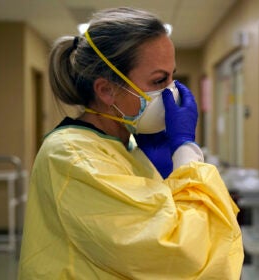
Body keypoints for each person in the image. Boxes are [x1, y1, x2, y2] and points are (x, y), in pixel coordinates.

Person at [18, 7, 243, 280]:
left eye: (173, 76)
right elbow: (183, 254)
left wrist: (167, 173)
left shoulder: (125, 146)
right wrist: (185, 151)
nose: (173, 92)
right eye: (160, 80)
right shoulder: (71, 155)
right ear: (106, 90)